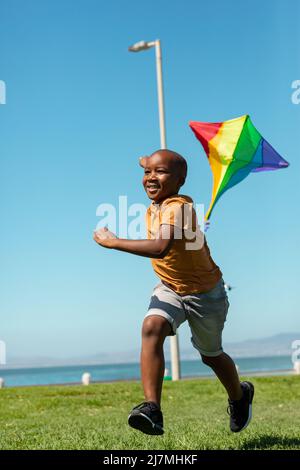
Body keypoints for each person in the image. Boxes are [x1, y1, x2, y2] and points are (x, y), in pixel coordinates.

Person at [93, 149, 254, 436]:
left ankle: (239, 396)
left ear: (180, 181)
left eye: (160, 172)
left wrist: (113, 241)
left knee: (211, 355)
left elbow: (160, 247)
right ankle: (152, 409)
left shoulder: (177, 207)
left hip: (205, 293)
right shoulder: (155, 205)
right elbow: (150, 166)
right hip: (169, 287)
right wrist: (146, 161)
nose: (150, 177)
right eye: (147, 173)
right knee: (151, 327)